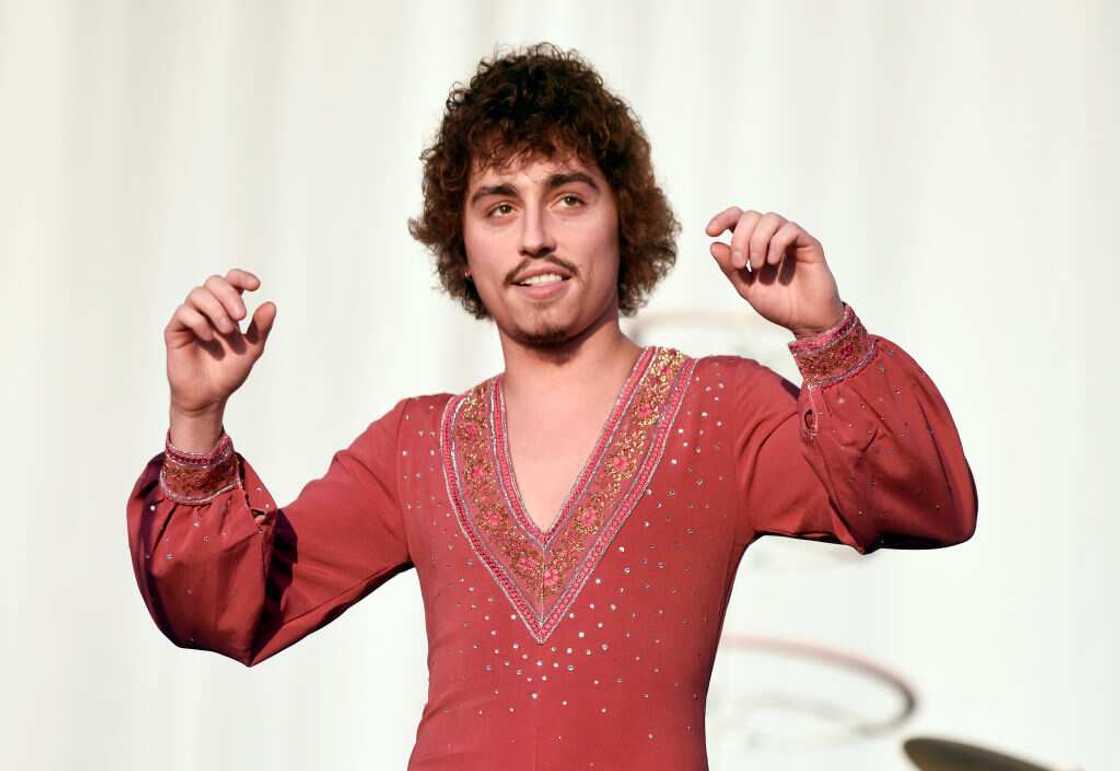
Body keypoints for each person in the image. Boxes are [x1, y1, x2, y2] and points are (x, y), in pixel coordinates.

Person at [126, 41, 978, 770]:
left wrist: (824, 332)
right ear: (462, 245)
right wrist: (195, 418)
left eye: (568, 197)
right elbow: (233, 608)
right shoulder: (416, 447)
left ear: (623, 219)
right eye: (500, 205)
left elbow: (925, 500)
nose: (535, 234)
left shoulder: (717, 412)